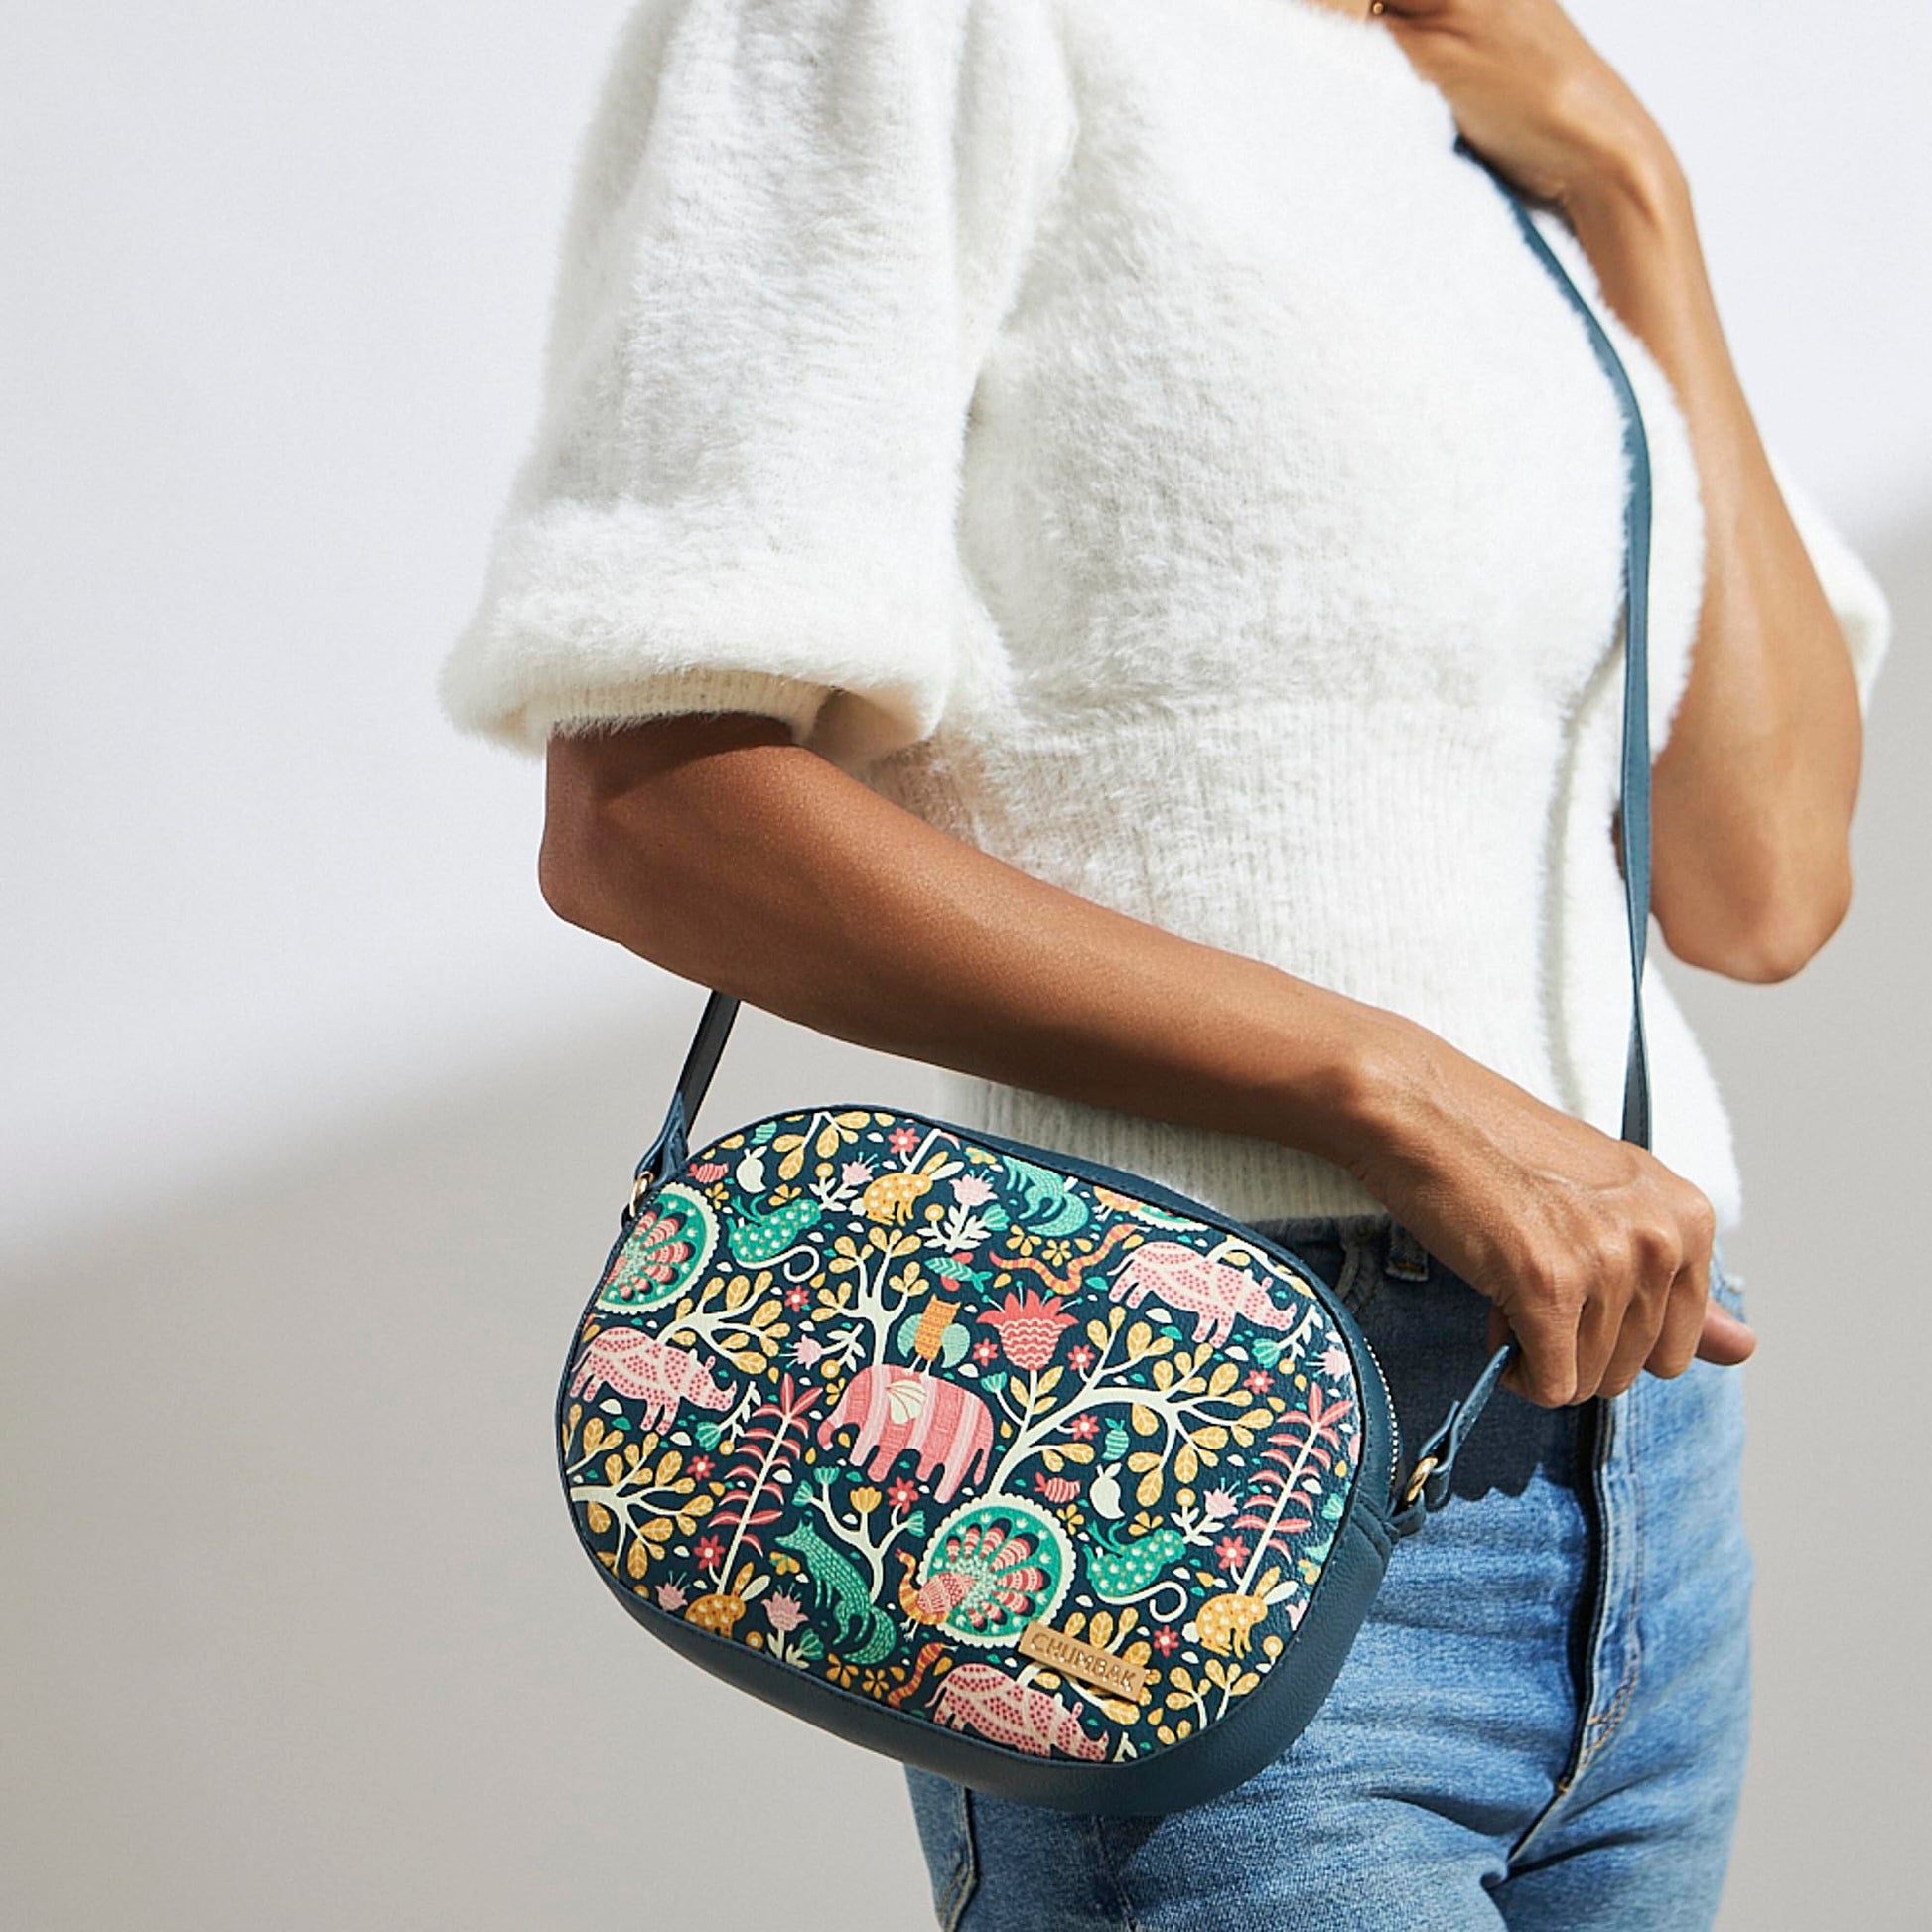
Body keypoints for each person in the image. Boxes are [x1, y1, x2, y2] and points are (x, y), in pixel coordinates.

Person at [439, 1, 1892, 1924]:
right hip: (1177, 1441)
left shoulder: (1481, 113)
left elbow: (1759, 884)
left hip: (1642, 1480)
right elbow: (646, 810)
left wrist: (1634, 193)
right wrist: (1391, 1088)